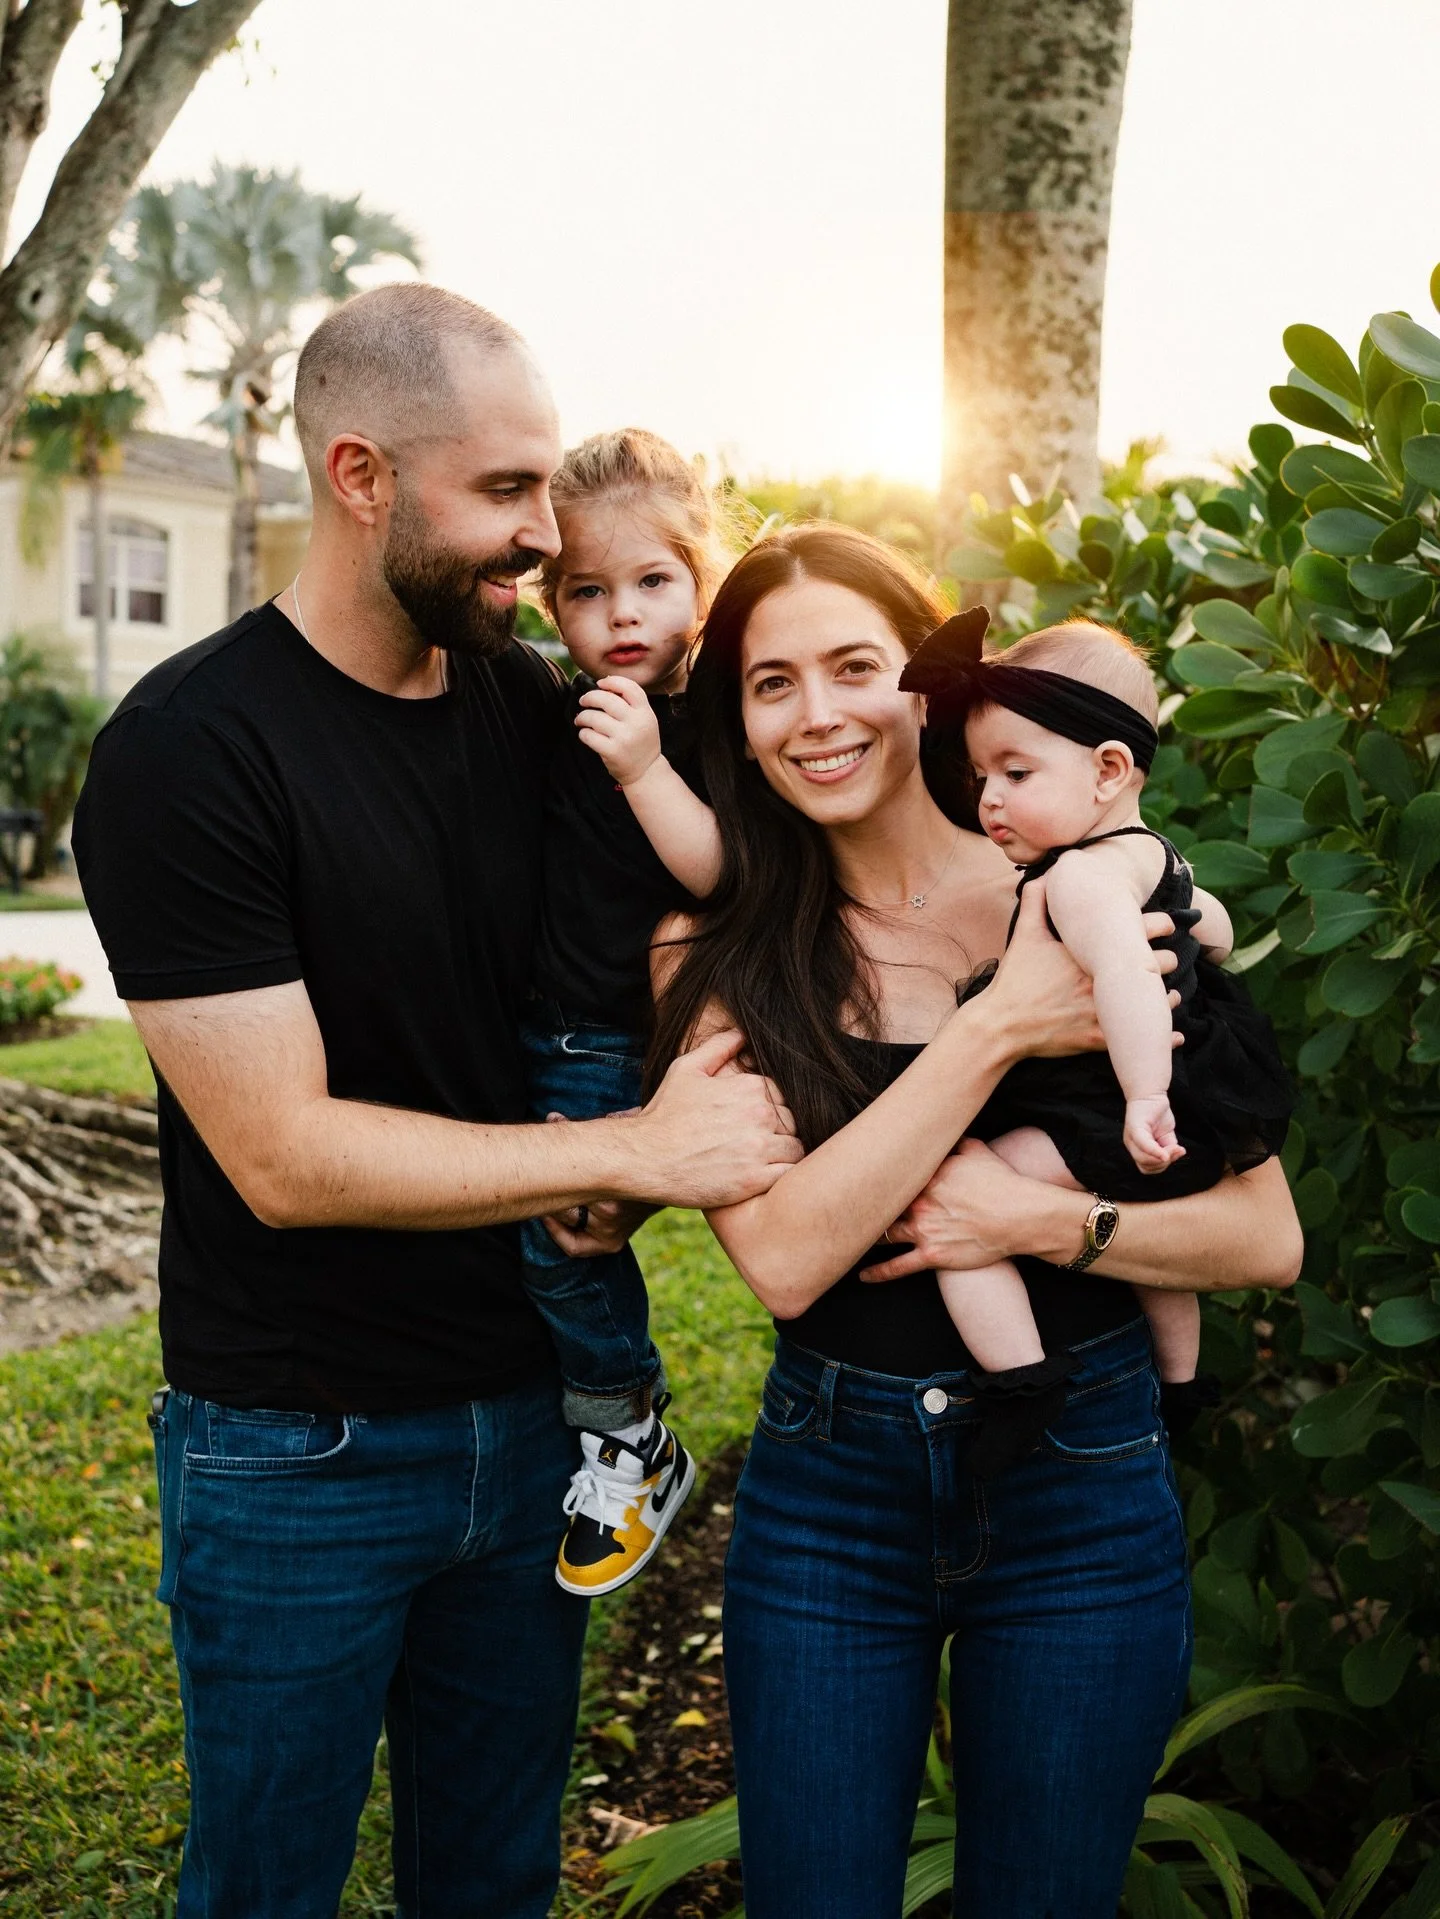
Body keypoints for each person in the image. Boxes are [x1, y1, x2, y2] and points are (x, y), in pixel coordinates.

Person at [70, 284, 800, 1919]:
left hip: (531, 1419)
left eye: (549, 488)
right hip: (299, 1443)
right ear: (361, 475)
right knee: (267, 1885)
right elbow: (280, 1152)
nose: (545, 537)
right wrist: (625, 1147)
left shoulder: (542, 713)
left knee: (489, 1877)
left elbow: (717, 904)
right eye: (507, 493)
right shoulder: (193, 749)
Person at [647, 524, 1303, 1919]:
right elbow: (782, 1254)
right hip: (833, 1496)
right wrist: (1000, 1025)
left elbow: (1262, 1236)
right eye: (771, 682)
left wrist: (1045, 1221)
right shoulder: (718, 945)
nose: (817, 712)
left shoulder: (1094, 886)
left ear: (926, 686)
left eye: (854, 665)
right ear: (740, 721)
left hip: (1080, 1474)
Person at [889, 611, 1294, 1473]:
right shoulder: (1157, 856)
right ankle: (1181, 1382)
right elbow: (1211, 930)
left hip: (1106, 1107)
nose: (988, 796)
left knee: (956, 1201)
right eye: (981, 774)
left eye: (1015, 770)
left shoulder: (1076, 875)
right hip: (1198, 1104)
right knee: (1153, 1252)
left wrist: (1144, 1095)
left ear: (1109, 770)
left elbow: (1123, 973)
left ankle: (1020, 1376)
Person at [523, 426, 728, 1597]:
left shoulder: (705, 728)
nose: (624, 615)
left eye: (654, 580)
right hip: (545, 1021)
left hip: (625, 1033)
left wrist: (648, 764)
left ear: (700, 580)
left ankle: (630, 1433)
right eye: (588, 591)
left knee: (564, 1240)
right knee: (531, 1231)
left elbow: (718, 876)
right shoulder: (556, 707)